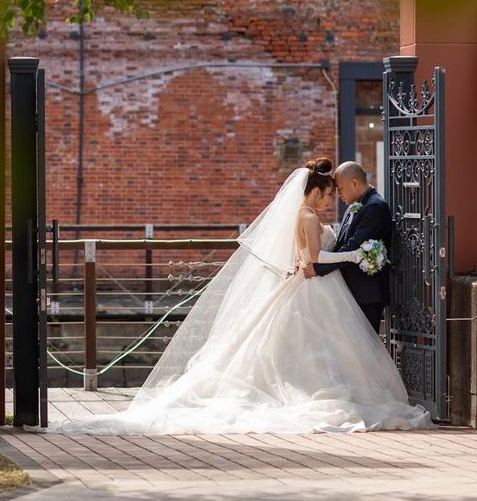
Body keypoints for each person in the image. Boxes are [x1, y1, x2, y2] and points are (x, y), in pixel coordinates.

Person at [41, 159, 433, 435]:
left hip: (312, 284)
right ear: (315, 191)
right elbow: (315, 258)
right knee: (323, 342)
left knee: (307, 344)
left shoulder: (306, 215)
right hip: (316, 283)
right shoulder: (308, 216)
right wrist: (353, 255)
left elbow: (309, 255)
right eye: (328, 194)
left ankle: (327, 386)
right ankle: (329, 389)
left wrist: (341, 253)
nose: (333, 200)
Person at [304, 162, 389, 334]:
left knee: (365, 345)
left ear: (354, 183)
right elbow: (341, 245)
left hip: (366, 293)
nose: (338, 195)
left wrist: (318, 268)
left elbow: (353, 246)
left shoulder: (375, 206)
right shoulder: (354, 206)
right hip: (348, 291)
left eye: (340, 189)